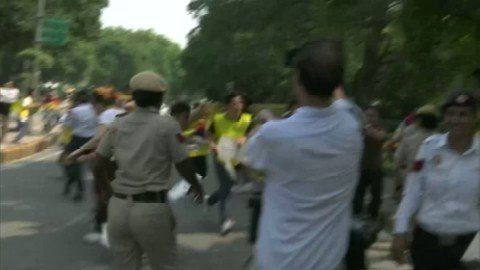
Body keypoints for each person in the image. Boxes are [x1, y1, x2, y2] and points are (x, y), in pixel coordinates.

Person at [246, 40, 362, 270]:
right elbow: (340, 103)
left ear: (297, 80)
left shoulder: (274, 134)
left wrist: (263, 123)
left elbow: (248, 156)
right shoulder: (352, 125)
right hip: (329, 261)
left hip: (279, 260)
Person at [95, 71, 203, 270]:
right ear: (160, 98)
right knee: (164, 265)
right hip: (151, 209)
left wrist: (105, 190)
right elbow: (183, 162)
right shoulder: (167, 126)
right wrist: (195, 185)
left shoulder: (118, 124)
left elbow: (99, 162)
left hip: (118, 208)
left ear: (134, 97)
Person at [392, 91, 480, 270]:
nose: (456, 119)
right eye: (451, 113)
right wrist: (400, 230)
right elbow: (413, 191)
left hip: (468, 245)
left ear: (475, 117)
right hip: (428, 243)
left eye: (463, 114)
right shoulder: (430, 147)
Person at [67, 87, 124, 242]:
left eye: (93, 105)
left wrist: (78, 153)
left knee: (102, 192)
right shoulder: (122, 112)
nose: (93, 109)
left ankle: (102, 227)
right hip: (124, 160)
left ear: (99, 104)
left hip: (108, 162)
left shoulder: (106, 115)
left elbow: (99, 139)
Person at [206, 92, 252, 235]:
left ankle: (210, 200)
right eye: (234, 103)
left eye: (240, 103)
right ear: (227, 106)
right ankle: (225, 220)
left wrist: (244, 139)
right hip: (222, 158)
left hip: (239, 158)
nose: (237, 106)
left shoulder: (248, 119)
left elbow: (253, 134)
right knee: (226, 187)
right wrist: (212, 145)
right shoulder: (218, 119)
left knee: (236, 187)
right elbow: (209, 137)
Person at [394, 105, 439, 196]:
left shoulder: (410, 139)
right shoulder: (443, 141)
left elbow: (397, 161)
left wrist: (398, 182)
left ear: (420, 120)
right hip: (435, 187)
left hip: (412, 185)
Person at [62, 90, 98, 201]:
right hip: (91, 139)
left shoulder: (75, 111)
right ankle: (71, 184)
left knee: (68, 162)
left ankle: (77, 187)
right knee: (86, 166)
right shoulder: (94, 110)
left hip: (77, 139)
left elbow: (68, 125)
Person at [352, 105, 386, 220]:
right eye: (367, 115)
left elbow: (379, 137)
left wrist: (366, 127)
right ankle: (357, 215)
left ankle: (373, 216)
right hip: (360, 167)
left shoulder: (380, 128)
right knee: (358, 194)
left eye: (373, 115)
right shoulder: (359, 129)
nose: (370, 118)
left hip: (376, 168)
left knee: (376, 195)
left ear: (378, 117)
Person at [170, 102, 210, 179]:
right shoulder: (179, 129)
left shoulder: (199, 123)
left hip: (196, 159)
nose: (175, 122)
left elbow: (202, 142)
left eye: (176, 119)